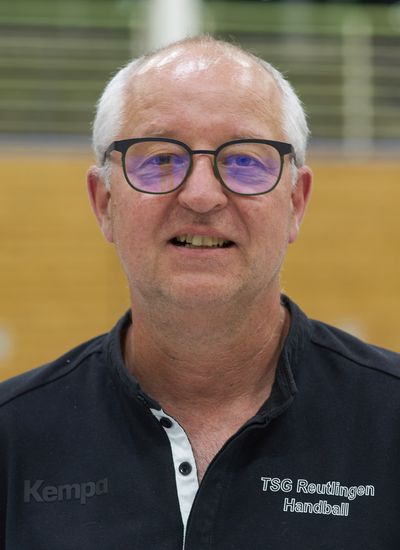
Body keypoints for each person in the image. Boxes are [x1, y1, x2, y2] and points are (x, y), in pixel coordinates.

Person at [0, 36, 399, 550]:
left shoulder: (389, 420)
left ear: (296, 203)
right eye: (161, 159)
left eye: (245, 161)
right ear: (104, 203)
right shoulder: (14, 435)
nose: (202, 195)